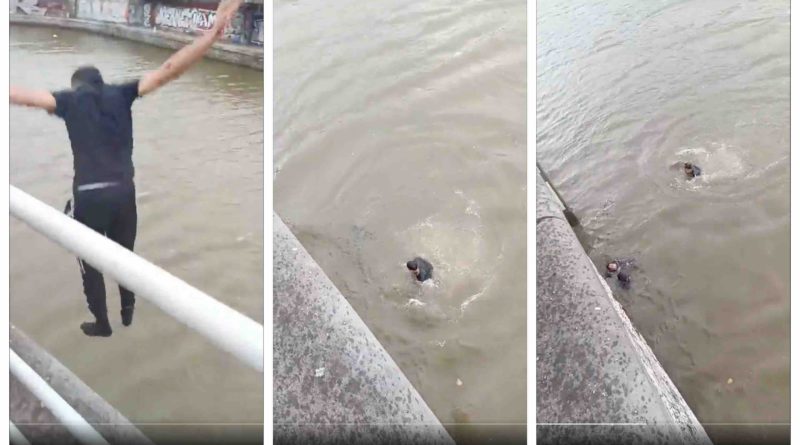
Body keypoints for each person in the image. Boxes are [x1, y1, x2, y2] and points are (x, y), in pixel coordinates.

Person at [9, 0, 243, 337]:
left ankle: (102, 323)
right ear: (102, 83)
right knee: (125, 258)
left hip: (89, 197)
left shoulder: (69, 100)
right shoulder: (121, 93)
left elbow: (24, 96)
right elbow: (169, 69)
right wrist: (210, 38)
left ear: (77, 85)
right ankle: (128, 311)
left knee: (91, 262)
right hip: (124, 193)